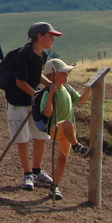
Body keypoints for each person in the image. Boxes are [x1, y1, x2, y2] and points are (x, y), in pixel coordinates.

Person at [3, 21, 61, 191]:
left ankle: (37, 171)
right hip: (18, 102)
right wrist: (36, 95)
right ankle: (27, 173)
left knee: (40, 134)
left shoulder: (42, 55)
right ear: (39, 37)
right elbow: (20, 81)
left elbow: (38, 74)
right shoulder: (24, 54)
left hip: (33, 102)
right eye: (50, 36)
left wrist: (49, 85)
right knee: (22, 137)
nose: (53, 40)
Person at [36, 58, 93, 201]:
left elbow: (81, 100)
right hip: (55, 128)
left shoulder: (67, 88)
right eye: (64, 74)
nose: (67, 76)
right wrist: (50, 96)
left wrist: (88, 88)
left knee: (62, 159)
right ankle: (77, 146)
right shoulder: (48, 91)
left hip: (67, 133)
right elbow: (47, 113)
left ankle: (54, 187)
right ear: (52, 76)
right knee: (67, 123)